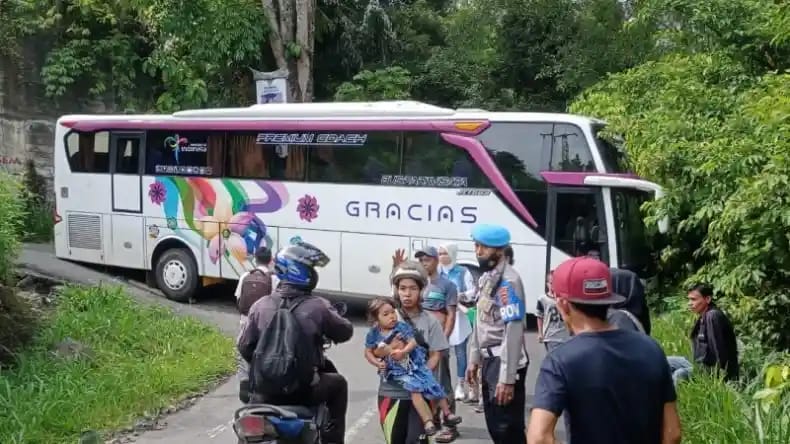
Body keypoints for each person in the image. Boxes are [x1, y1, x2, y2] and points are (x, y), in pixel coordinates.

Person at [526, 256, 682, 444]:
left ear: (563, 304)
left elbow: (539, 438)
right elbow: (672, 433)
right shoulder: (651, 349)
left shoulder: (560, 361)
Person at [237, 241, 354, 444]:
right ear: (300, 271)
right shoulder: (318, 307)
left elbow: (245, 347)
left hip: (265, 393)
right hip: (304, 392)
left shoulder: (260, 306)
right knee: (339, 384)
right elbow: (345, 332)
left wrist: (267, 364)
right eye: (311, 268)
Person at [376, 260, 454, 444]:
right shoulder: (386, 318)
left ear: (421, 291)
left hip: (421, 396)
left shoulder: (430, 321)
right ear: (396, 290)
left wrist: (419, 375)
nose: (407, 293)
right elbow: (375, 351)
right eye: (402, 288)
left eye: (412, 288)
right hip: (391, 393)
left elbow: (436, 354)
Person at [466, 223, 529, 444]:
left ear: (500, 251)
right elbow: (480, 321)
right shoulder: (488, 278)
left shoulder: (508, 282)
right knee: (495, 426)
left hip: (504, 361)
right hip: (489, 360)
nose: (478, 252)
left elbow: (513, 330)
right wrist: (474, 358)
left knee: (507, 429)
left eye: (484, 247)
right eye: (476, 246)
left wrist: (507, 379)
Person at [365, 297, 462, 436]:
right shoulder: (373, 334)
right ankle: (428, 421)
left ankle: (447, 413)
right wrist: (377, 362)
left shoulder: (401, 327)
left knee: (433, 383)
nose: (391, 316)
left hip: (415, 364)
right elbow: (368, 352)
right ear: (376, 319)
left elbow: (413, 341)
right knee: (415, 390)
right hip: (397, 371)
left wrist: (404, 351)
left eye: (392, 312)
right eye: (385, 314)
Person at [667, 283, 739, 386]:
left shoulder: (713, 316)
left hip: (713, 370)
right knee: (664, 361)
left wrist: (723, 378)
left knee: (680, 374)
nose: (689, 303)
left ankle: (672, 396)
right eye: (689, 299)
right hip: (699, 364)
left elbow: (719, 352)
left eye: (693, 299)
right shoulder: (703, 316)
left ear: (708, 299)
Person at [234, 246, 279, 403]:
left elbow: (238, 299)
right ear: (270, 260)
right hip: (265, 326)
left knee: (243, 352)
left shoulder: (245, 276)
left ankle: (244, 383)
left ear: (255, 259)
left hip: (246, 323)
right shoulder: (274, 279)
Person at [437, 242, 476, 401]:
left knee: (460, 352)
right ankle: (441, 384)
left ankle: (460, 385)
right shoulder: (437, 272)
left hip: (459, 317)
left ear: (452, 254)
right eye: (439, 253)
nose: (441, 257)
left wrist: (460, 296)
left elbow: (473, 292)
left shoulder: (462, 272)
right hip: (441, 316)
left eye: (444, 253)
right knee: (441, 352)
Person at [535, 271, 569, 352]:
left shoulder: (565, 299)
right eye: (551, 283)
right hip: (550, 336)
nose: (553, 286)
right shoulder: (543, 299)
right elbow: (540, 316)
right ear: (547, 284)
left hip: (565, 336)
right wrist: (540, 333)